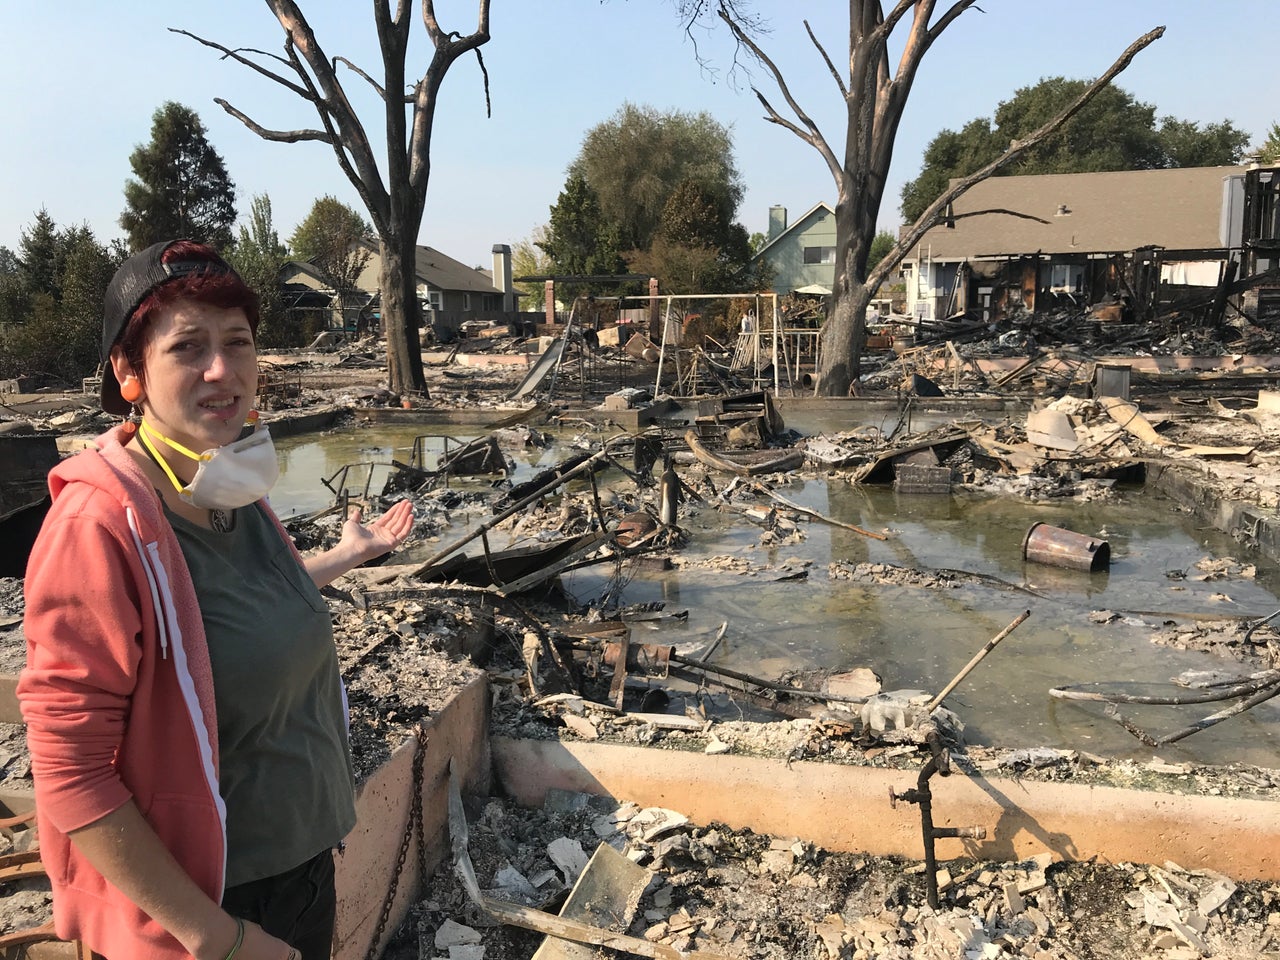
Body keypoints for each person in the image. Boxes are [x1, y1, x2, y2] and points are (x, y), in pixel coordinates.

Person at [19, 240, 414, 960]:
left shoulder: (228, 486)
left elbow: (228, 614)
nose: (223, 370)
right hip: (206, 912)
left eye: (238, 342)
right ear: (128, 372)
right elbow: (69, 772)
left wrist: (348, 556)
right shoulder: (99, 528)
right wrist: (218, 937)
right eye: (188, 348)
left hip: (299, 876)